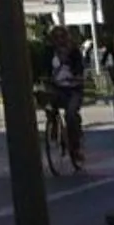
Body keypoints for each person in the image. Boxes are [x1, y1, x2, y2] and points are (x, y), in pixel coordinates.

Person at [45, 27, 89, 167]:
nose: (59, 41)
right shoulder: (49, 53)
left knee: (70, 115)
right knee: (48, 105)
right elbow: (45, 69)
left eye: (61, 38)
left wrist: (77, 78)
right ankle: (53, 128)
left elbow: (80, 70)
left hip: (73, 89)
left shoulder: (74, 52)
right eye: (56, 38)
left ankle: (75, 148)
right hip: (57, 88)